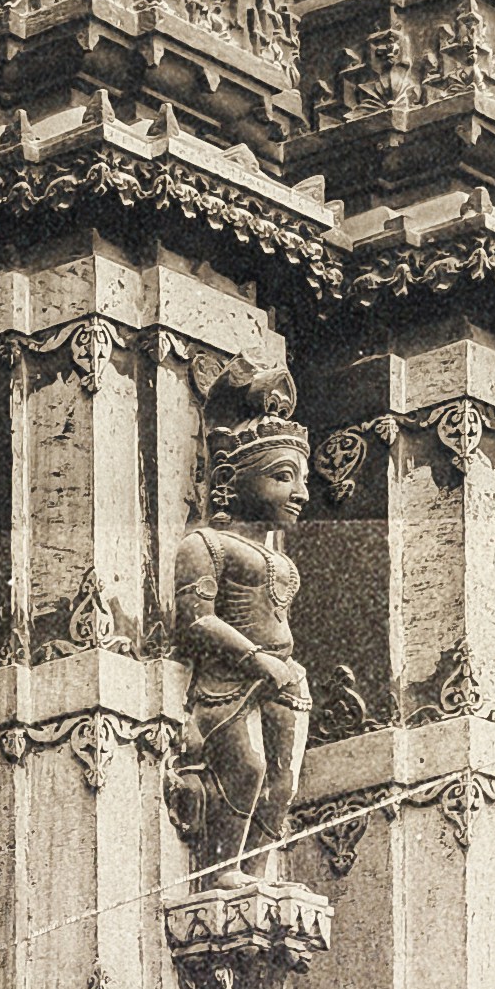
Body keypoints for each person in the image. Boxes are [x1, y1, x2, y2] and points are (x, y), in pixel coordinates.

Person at [171, 367, 311, 876]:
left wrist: (283, 668)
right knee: (247, 768)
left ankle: (255, 876)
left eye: (302, 479)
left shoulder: (279, 559)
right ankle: (222, 868)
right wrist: (255, 660)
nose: (301, 494)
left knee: (286, 781)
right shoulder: (205, 545)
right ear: (231, 479)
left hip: (281, 680)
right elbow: (198, 621)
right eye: (282, 477)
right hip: (228, 682)